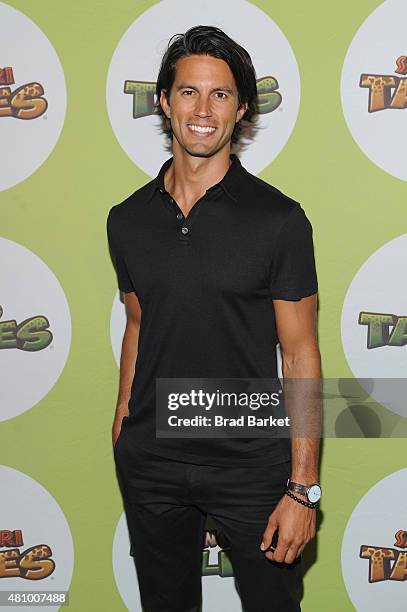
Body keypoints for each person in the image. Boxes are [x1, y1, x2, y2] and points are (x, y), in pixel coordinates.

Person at [107, 25, 321, 612]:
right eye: (189, 92)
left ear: (243, 107)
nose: (203, 110)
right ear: (164, 102)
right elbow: (138, 324)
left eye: (221, 94)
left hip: (252, 462)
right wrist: (124, 423)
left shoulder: (279, 221)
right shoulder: (126, 220)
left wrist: (303, 488)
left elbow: (301, 354)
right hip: (151, 460)